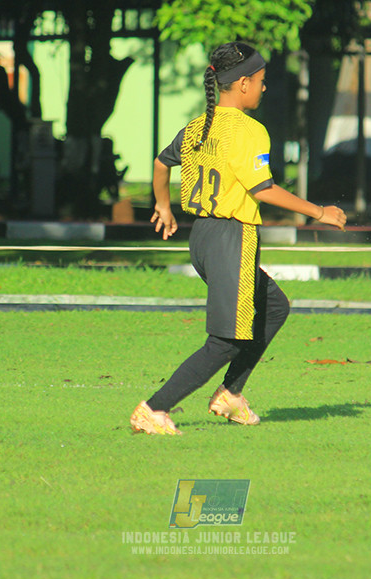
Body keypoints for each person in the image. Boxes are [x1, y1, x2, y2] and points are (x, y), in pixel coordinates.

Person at [130, 41, 347, 435]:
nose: (264, 89)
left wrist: (163, 205)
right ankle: (154, 409)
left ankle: (231, 393)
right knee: (226, 340)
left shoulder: (198, 126)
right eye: (261, 81)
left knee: (275, 306)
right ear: (243, 83)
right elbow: (263, 189)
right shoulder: (249, 131)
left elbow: (162, 163)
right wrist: (319, 212)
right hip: (232, 237)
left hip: (202, 238)